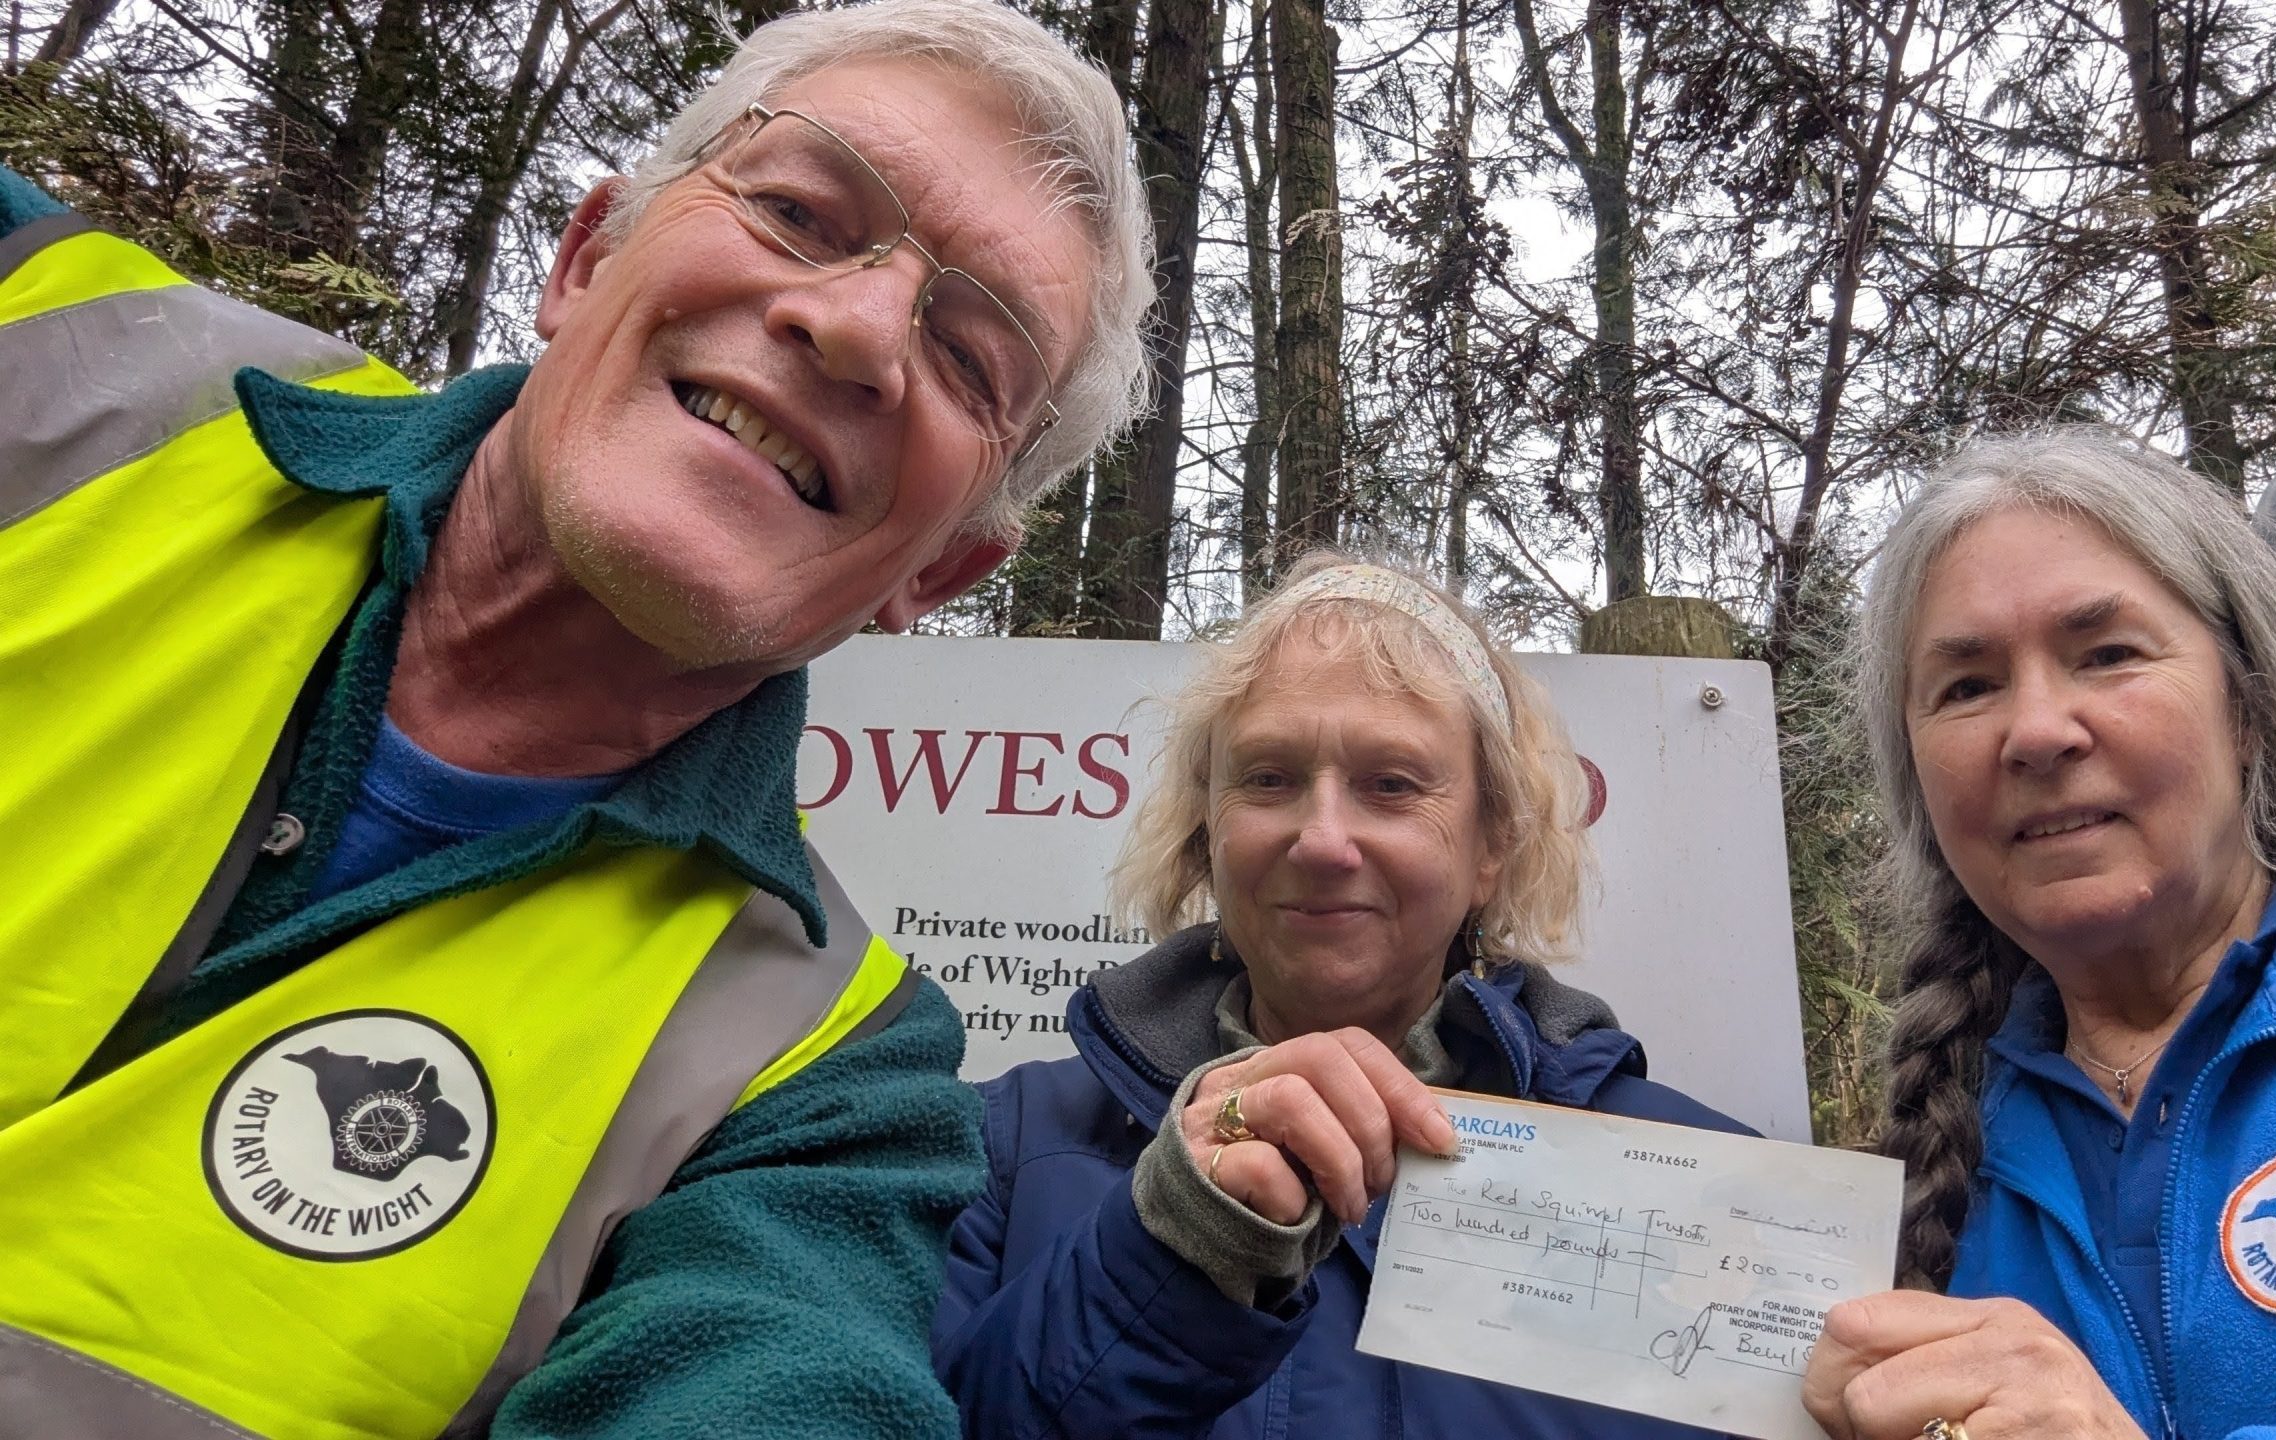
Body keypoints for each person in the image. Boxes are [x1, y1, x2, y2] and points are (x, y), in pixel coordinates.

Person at [0, 2, 1151, 1434]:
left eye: (972, 359)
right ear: (587, 257)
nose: (855, 328)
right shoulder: (57, 347)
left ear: (943, 569)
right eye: (799, 211)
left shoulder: (825, 1077)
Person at [1803, 430, 2276, 1440]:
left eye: (2107, 654)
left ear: (2249, 708)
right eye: (1967, 687)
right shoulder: (1931, 1169)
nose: (2037, 732)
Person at [933, 555, 1756, 1437]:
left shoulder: (1711, 1196)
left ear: (1490, 847)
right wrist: (1167, 1243)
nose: (1323, 841)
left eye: (1391, 784)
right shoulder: (999, 1149)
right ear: (1208, 832)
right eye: (1268, 778)